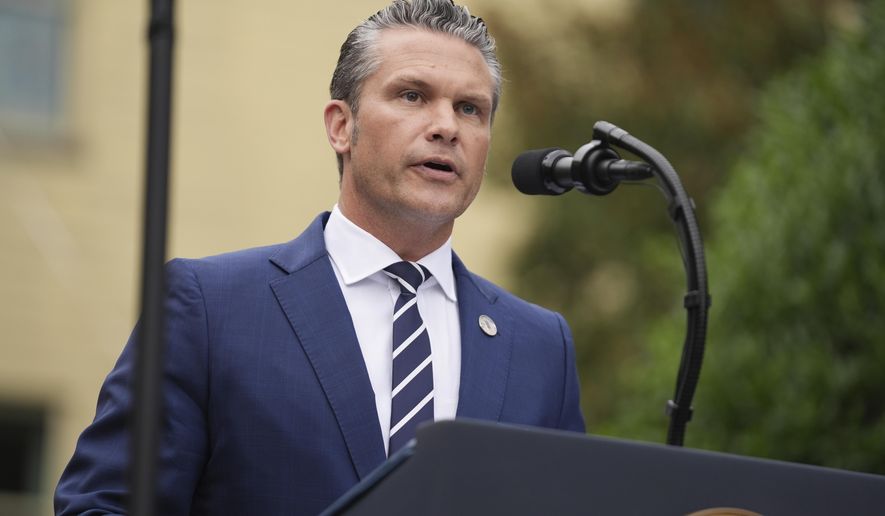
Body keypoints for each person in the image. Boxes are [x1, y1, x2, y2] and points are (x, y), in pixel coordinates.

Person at [55, 0, 585, 514]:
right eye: (412, 96)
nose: (447, 126)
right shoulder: (210, 309)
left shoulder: (541, 346)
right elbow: (101, 507)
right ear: (341, 126)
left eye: (470, 108)